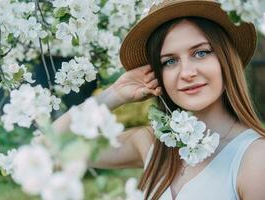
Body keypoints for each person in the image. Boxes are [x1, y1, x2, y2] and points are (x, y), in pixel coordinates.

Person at [53, 0, 265, 199]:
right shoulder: (151, 144)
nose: (186, 72)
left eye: (201, 53)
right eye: (170, 61)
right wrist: (114, 95)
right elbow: (51, 147)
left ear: (226, 59)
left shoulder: (255, 157)